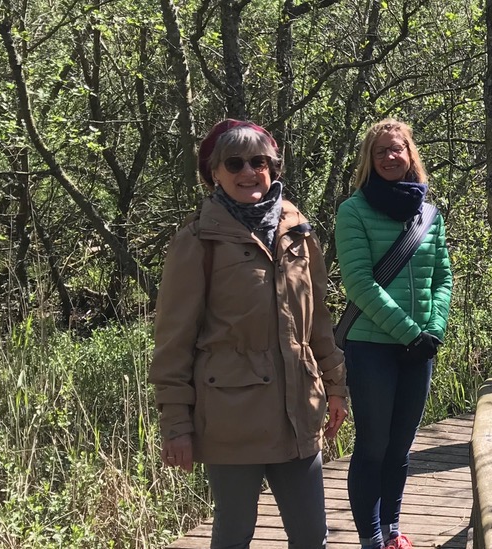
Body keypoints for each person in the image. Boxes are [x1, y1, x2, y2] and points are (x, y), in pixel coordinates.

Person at [150, 119, 347, 548]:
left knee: (313, 536)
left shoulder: (297, 228)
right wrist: (176, 425)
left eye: (258, 162)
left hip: (299, 408)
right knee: (234, 535)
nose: (248, 172)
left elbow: (318, 321)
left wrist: (335, 386)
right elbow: (173, 341)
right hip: (230, 418)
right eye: (234, 163)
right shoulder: (198, 239)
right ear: (215, 173)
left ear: (272, 168)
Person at [336, 119, 453, 549]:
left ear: (410, 155)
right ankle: (370, 537)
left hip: (420, 346)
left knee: (401, 446)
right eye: (381, 150)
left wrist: (433, 329)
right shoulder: (353, 210)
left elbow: (443, 276)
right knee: (373, 444)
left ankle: (392, 531)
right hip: (371, 346)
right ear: (370, 158)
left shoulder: (429, 213)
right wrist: (407, 331)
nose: (389, 157)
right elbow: (359, 283)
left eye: (397, 149)